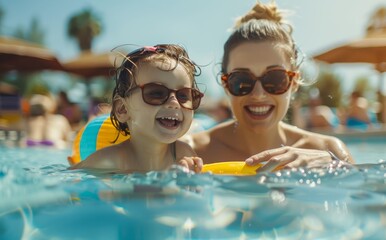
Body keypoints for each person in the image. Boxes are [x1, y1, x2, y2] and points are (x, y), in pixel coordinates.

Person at [183, 1, 354, 171]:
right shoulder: (190, 152)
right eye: (242, 81)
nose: (258, 94)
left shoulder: (329, 151)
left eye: (274, 79)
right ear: (226, 85)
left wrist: (335, 166)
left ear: (294, 82)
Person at [70, 44, 204, 173]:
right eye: (156, 93)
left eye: (183, 96)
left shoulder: (182, 154)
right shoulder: (110, 161)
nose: (174, 103)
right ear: (123, 109)